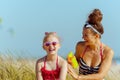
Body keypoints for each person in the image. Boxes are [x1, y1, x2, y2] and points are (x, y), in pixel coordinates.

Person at [67, 9, 114, 80]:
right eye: (82, 34)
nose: (82, 37)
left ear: (96, 36)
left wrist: (79, 77)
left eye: (86, 35)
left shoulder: (107, 52)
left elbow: (100, 75)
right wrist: (69, 63)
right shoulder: (80, 46)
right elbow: (75, 63)